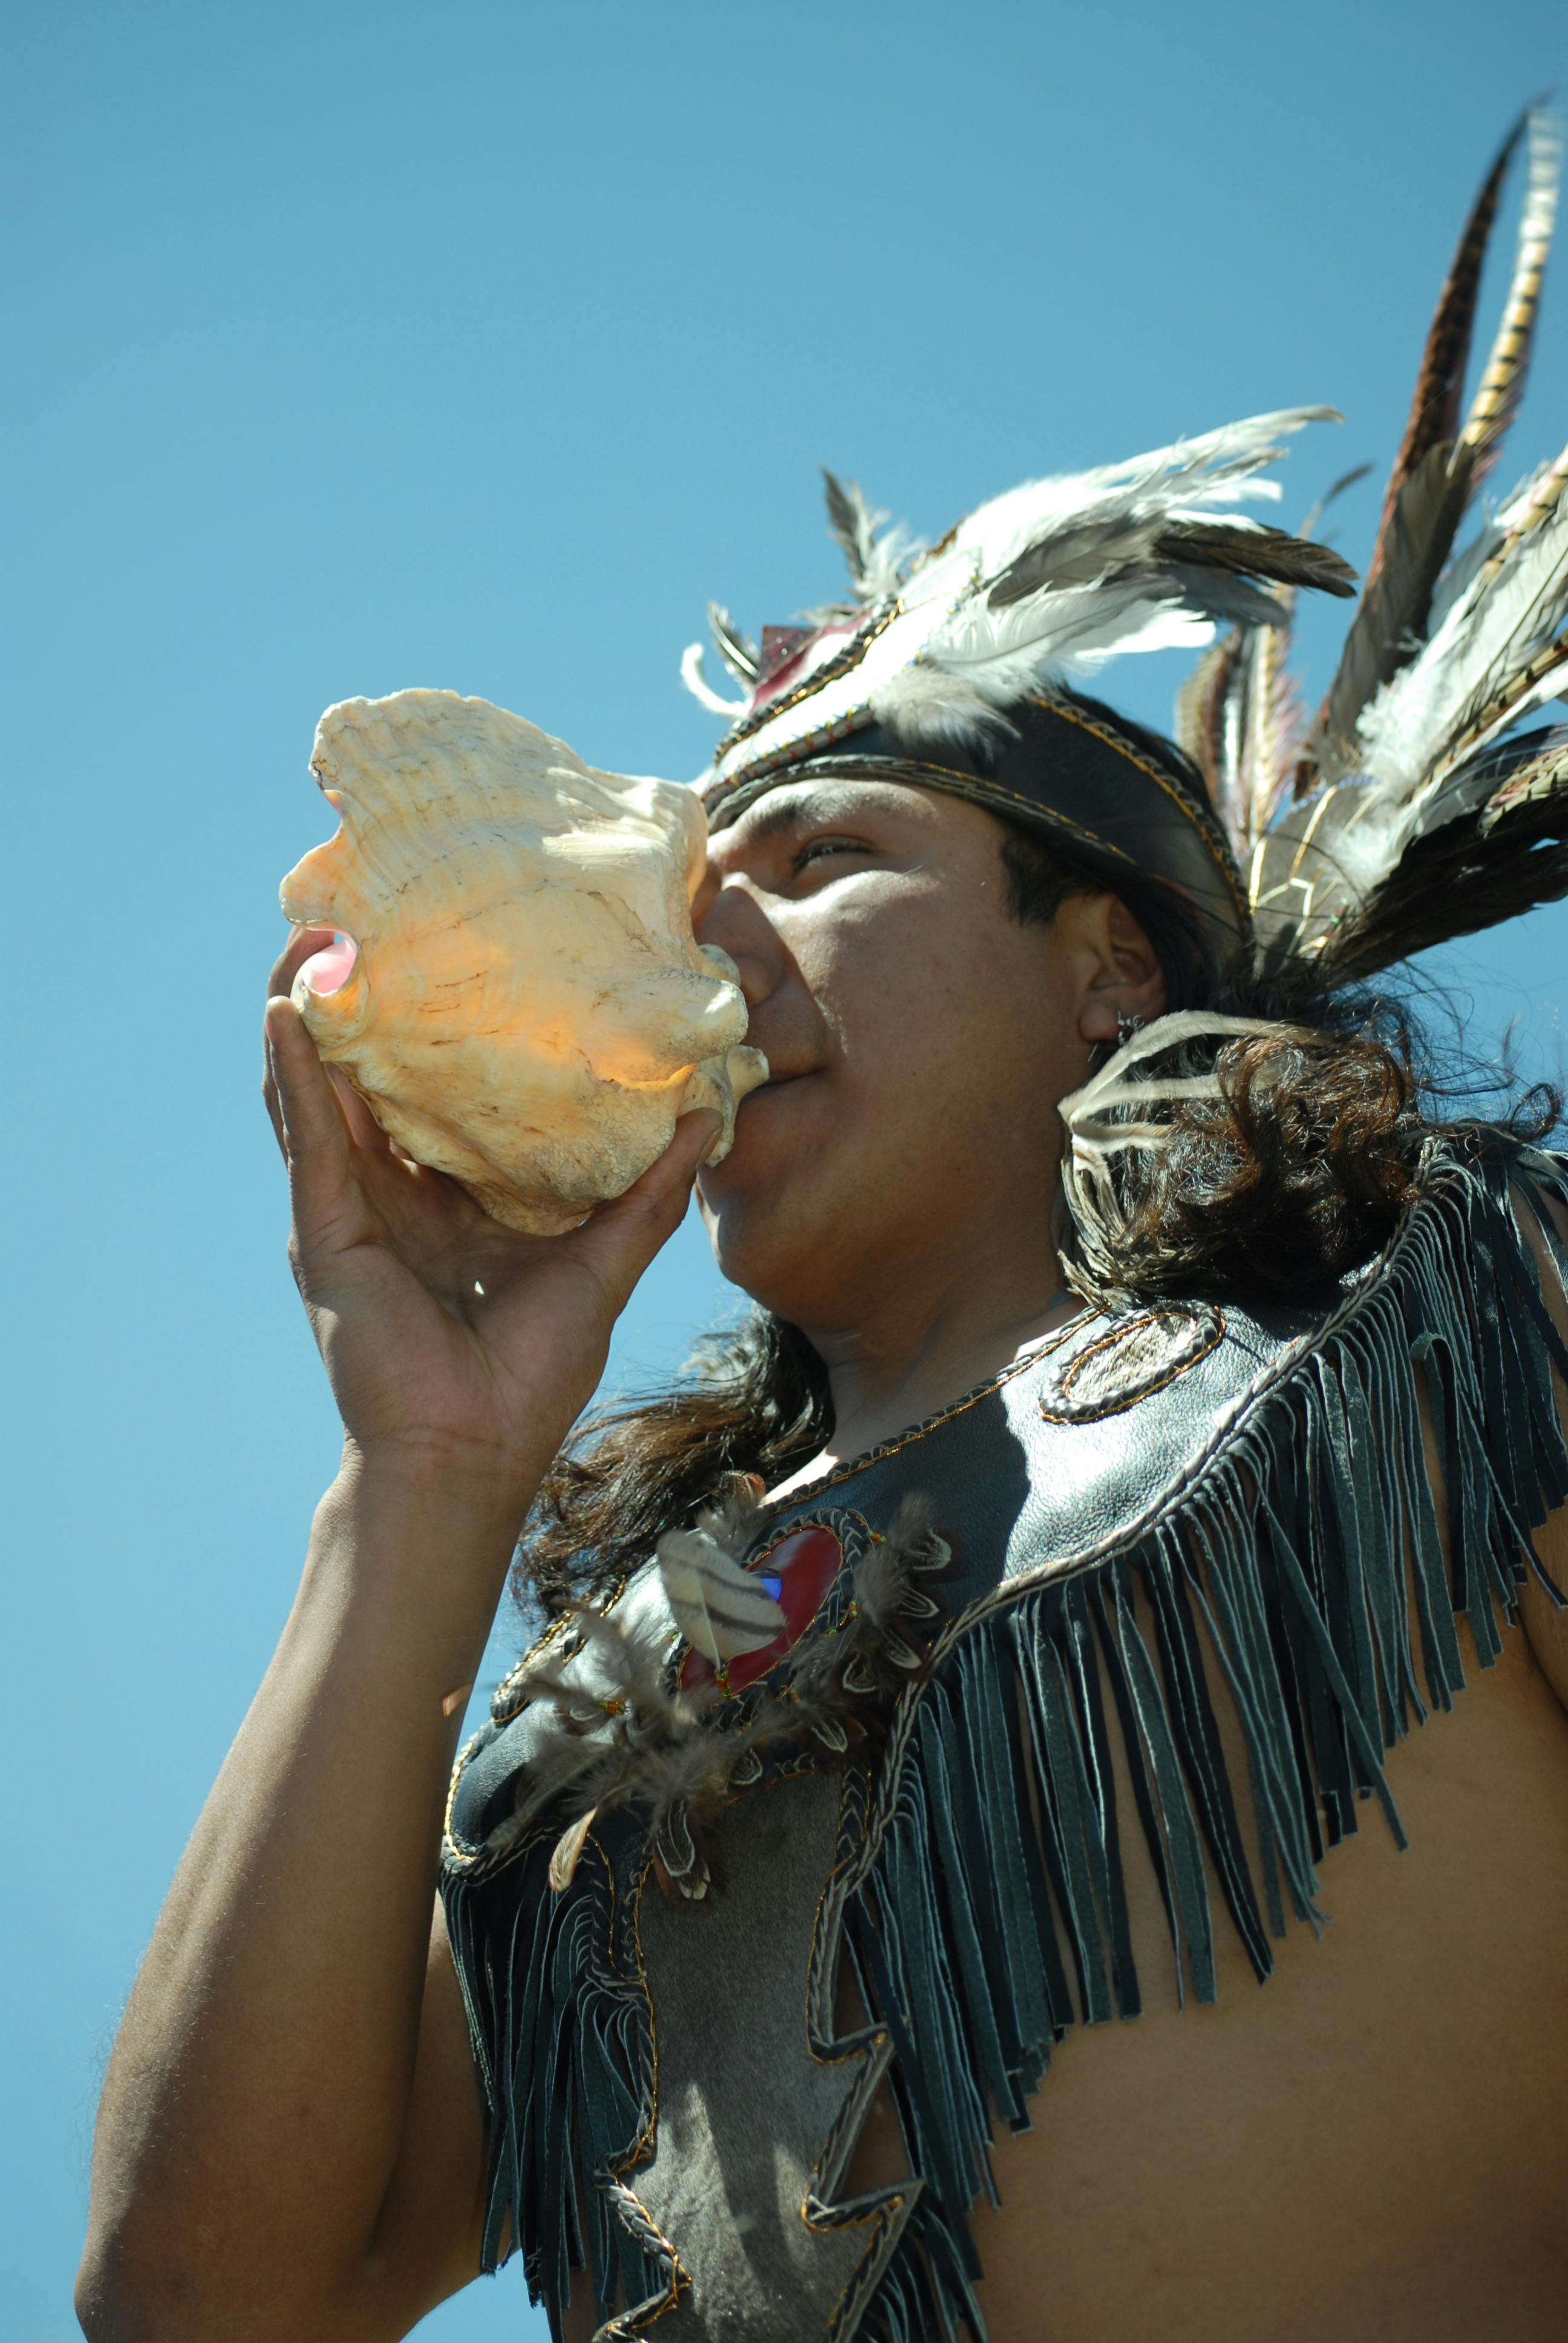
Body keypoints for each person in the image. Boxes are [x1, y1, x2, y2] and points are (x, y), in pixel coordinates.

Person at [79, 110, 1568, 2343]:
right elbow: (202, 2300)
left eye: (825, 860)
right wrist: (427, 1480)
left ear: (1111, 967)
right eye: (695, 905)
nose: (723, 950)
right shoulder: (585, 1706)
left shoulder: (1454, 1333)